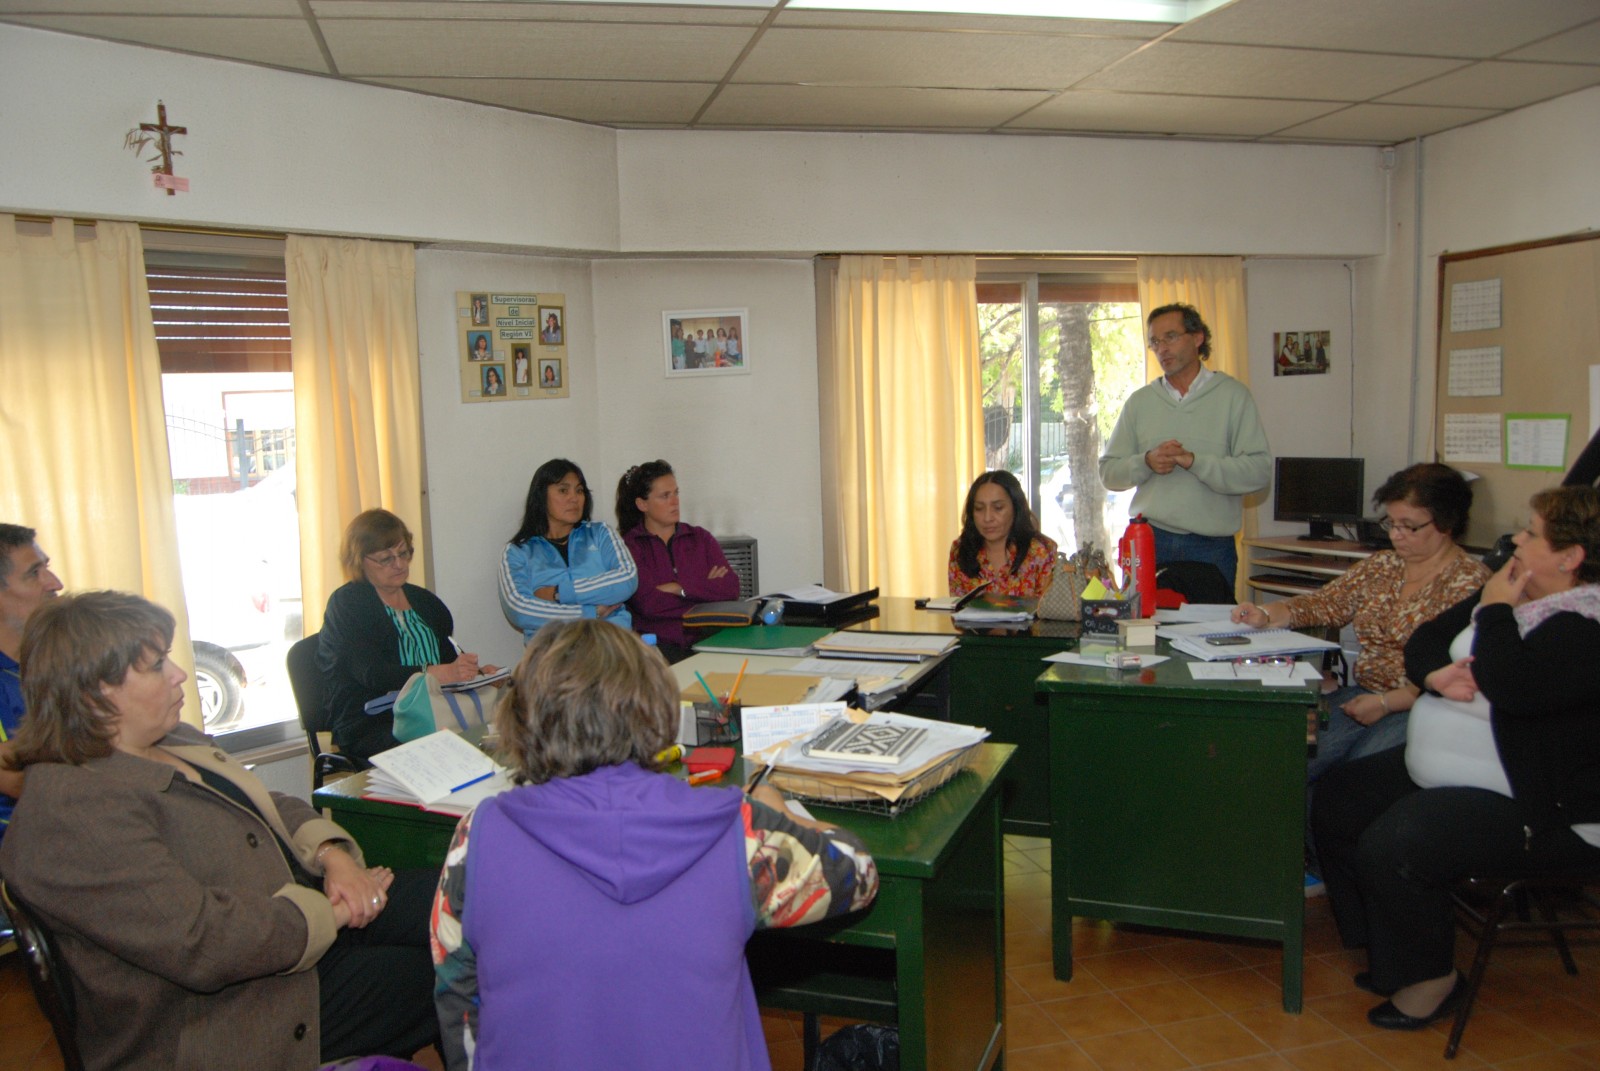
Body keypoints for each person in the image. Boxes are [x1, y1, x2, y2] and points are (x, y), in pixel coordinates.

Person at [0, 591, 440, 1069]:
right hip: (231, 1013)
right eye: (155, 665)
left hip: (292, 929)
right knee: (447, 969)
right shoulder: (71, 813)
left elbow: (270, 803)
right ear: (92, 690)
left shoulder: (170, 739)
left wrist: (333, 856)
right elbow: (200, 941)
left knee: (459, 897)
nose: (179, 673)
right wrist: (332, 912)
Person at [430, 619, 879, 1071]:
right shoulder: (737, 829)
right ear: (654, 708)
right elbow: (857, 875)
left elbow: (458, 992)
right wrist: (777, 814)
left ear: (523, 719)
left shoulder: (479, 836)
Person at [1311, 486, 1600, 1032]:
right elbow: (1428, 638)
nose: (1516, 538)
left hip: (1544, 803)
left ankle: (1431, 981)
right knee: (1340, 800)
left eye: (1532, 533)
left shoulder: (1584, 625)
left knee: (1400, 842)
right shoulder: (1522, 588)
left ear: (1571, 556)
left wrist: (1494, 611)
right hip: (1469, 771)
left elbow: (1515, 687)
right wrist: (1436, 674)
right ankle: (1388, 951)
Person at [1230, 464, 1489, 780]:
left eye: (1409, 526)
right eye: (1390, 523)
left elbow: (1460, 672)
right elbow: (1326, 603)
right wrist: (1267, 614)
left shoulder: (1469, 583)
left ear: (1446, 523)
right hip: (1363, 694)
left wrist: (1386, 703)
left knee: (1350, 780)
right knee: (1284, 758)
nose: (1396, 535)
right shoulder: (1383, 564)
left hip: (1417, 706)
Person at [1099, 303, 1271, 590]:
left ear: (1197, 338)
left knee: (1211, 632)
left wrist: (1195, 462)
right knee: (1144, 632)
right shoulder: (1140, 402)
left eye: (1170, 337)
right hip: (1150, 540)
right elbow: (1108, 473)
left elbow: (1258, 472)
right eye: (1155, 341)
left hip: (1212, 546)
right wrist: (1146, 462)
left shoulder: (1233, 396)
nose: (1161, 349)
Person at [319, 509, 492, 767]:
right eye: (385, 558)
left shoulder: (426, 602)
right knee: (447, 753)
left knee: (497, 736)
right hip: (375, 720)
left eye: (403, 553)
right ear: (359, 561)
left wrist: (478, 674)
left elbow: (449, 660)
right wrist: (434, 674)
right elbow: (371, 673)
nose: (399, 564)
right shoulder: (347, 604)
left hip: (436, 711)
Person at [499, 459, 637, 640]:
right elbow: (520, 610)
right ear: (541, 496)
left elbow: (627, 579)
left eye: (579, 490)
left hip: (611, 645)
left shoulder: (600, 533)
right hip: (555, 656)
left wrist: (558, 593)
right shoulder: (517, 551)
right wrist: (589, 612)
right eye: (563, 490)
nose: (574, 498)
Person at [616, 460, 741, 660]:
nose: (675, 502)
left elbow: (730, 588)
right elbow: (648, 604)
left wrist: (679, 588)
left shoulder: (700, 537)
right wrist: (706, 591)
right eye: (665, 496)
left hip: (711, 640)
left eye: (676, 493)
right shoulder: (629, 547)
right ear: (642, 504)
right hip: (659, 647)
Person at [0, 524, 63, 842]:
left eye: (47, 567)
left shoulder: (65, 655)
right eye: (34, 573)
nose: (56, 584)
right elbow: (25, 784)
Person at [948, 470, 1058, 597]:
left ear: (1016, 508)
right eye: (979, 508)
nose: (987, 518)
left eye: (998, 508)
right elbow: (956, 609)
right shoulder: (961, 550)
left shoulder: (1041, 550)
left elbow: (1049, 611)